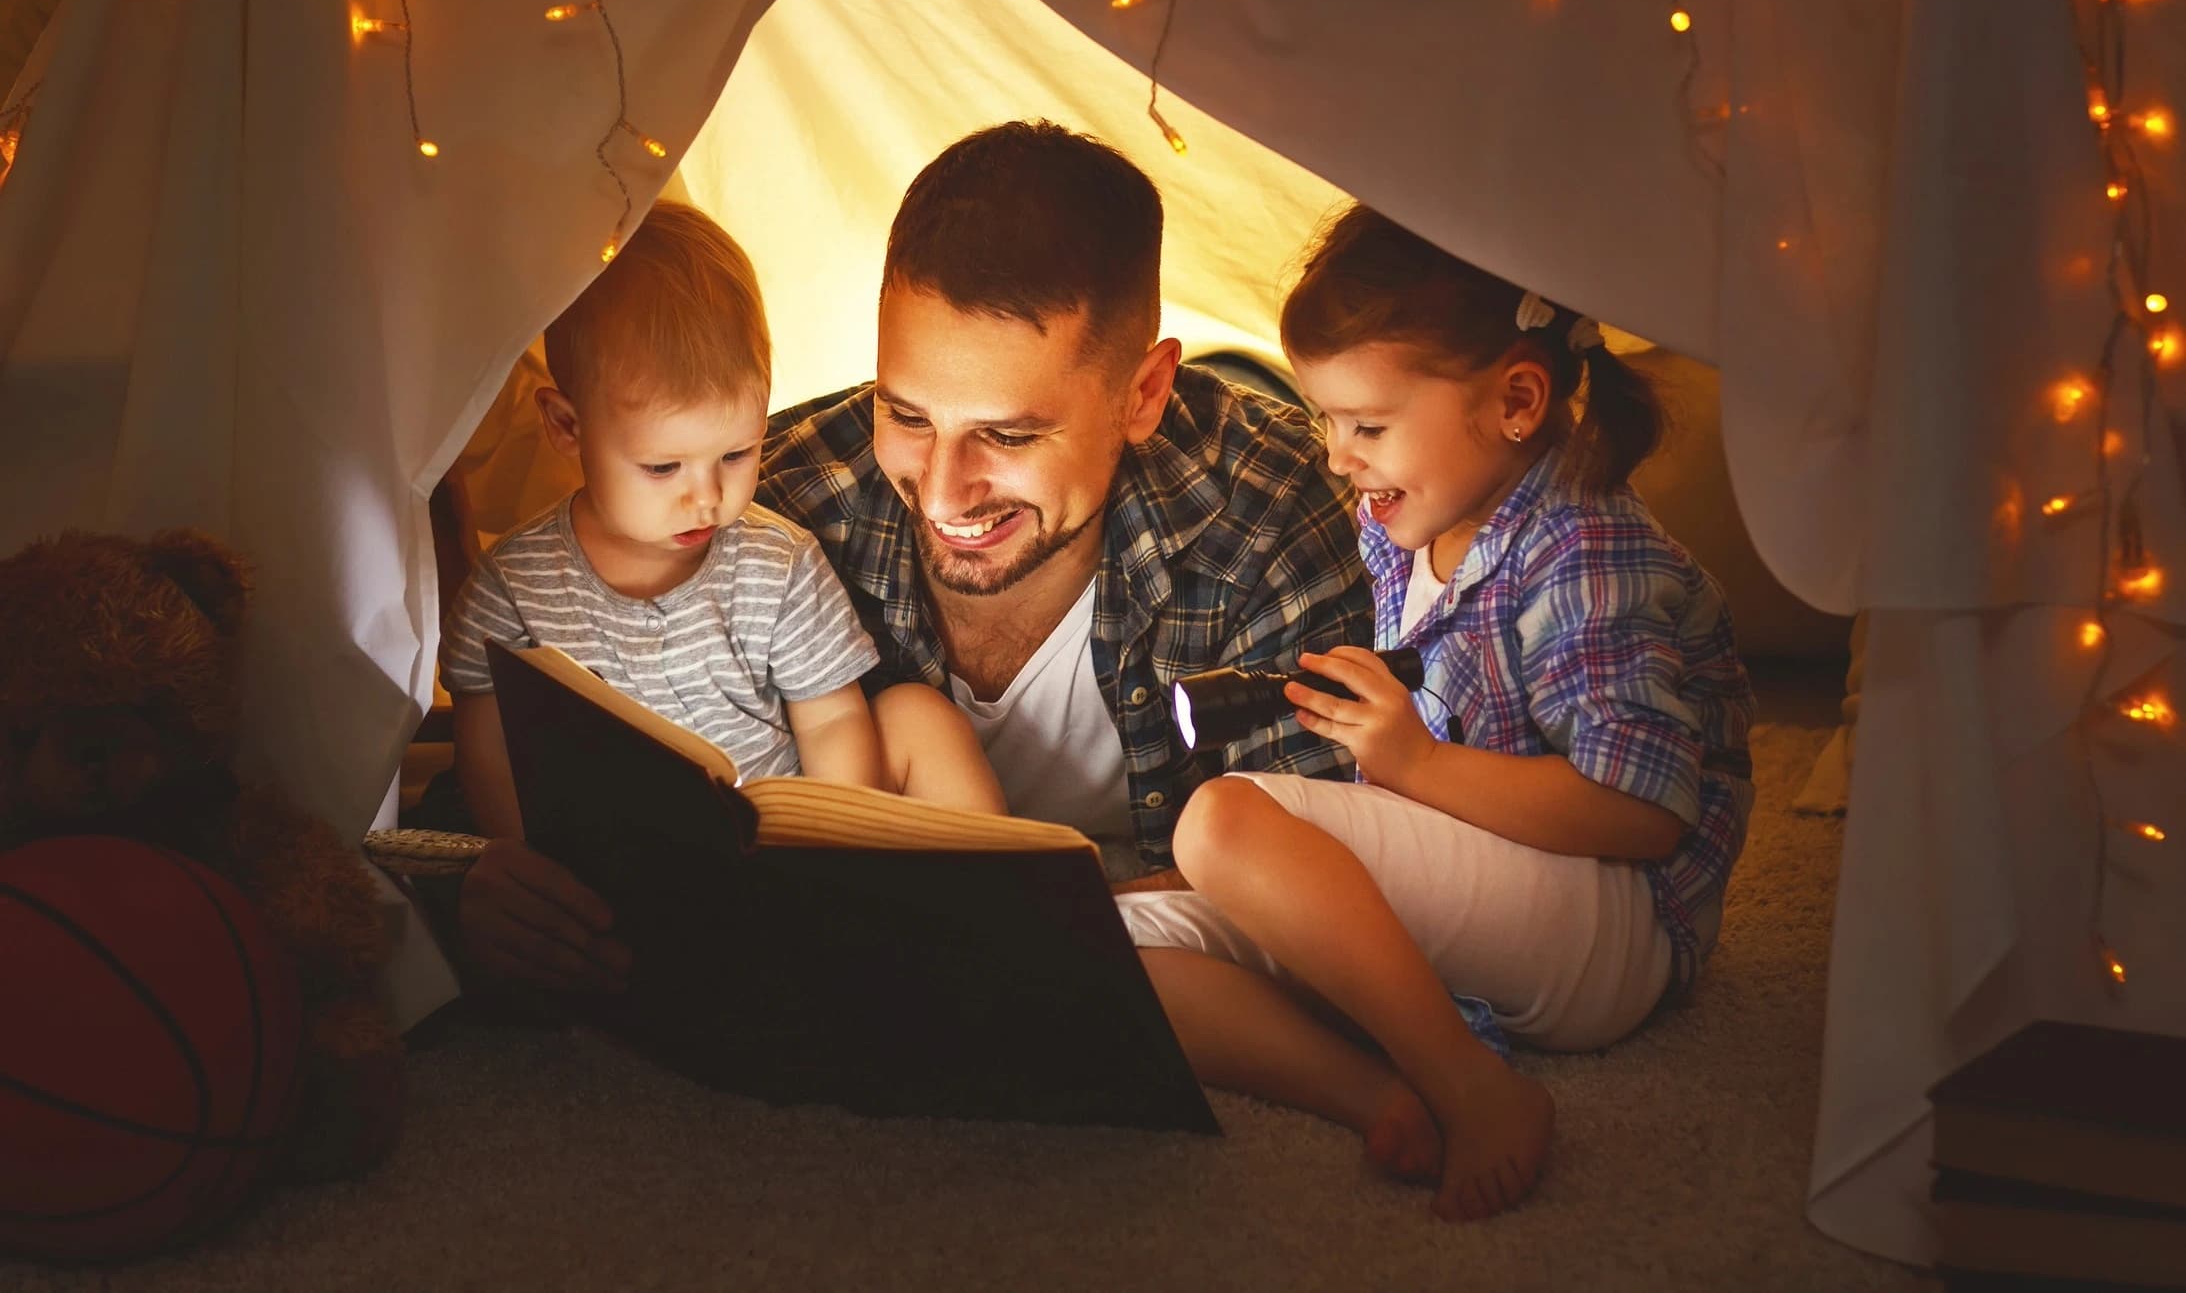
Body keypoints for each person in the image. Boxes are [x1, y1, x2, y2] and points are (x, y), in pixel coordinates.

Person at [1120, 205, 1756, 1222]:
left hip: (1613, 925)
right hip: (1486, 896)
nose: (1336, 456)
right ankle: (1378, 1091)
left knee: (1221, 819)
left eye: (1366, 426)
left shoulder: (1582, 549)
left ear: (1514, 400)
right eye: (1324, 420)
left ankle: (1472, 1087)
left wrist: (1411, 765)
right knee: (1114, 951)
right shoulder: (1402, 527)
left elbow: (1644, 813)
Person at [755, 120, 1374, 887]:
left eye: (1008, 436)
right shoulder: (776, 511)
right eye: (907, 415)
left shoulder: (1268, 514)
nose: (943, 491)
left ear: (1143, 394)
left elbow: (1317, 875)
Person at [443, 200, 1005, 994]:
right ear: (568, 427)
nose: (706, 497)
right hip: (622, 866)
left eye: (737, 453)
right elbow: (487, 743)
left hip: (778, 846)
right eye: (664, 468)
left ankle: (997, 920)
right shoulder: (514, 585)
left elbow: (835, 715)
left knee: (916, 716)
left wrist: (827, 845)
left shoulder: (776, 560)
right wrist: (524, 857)